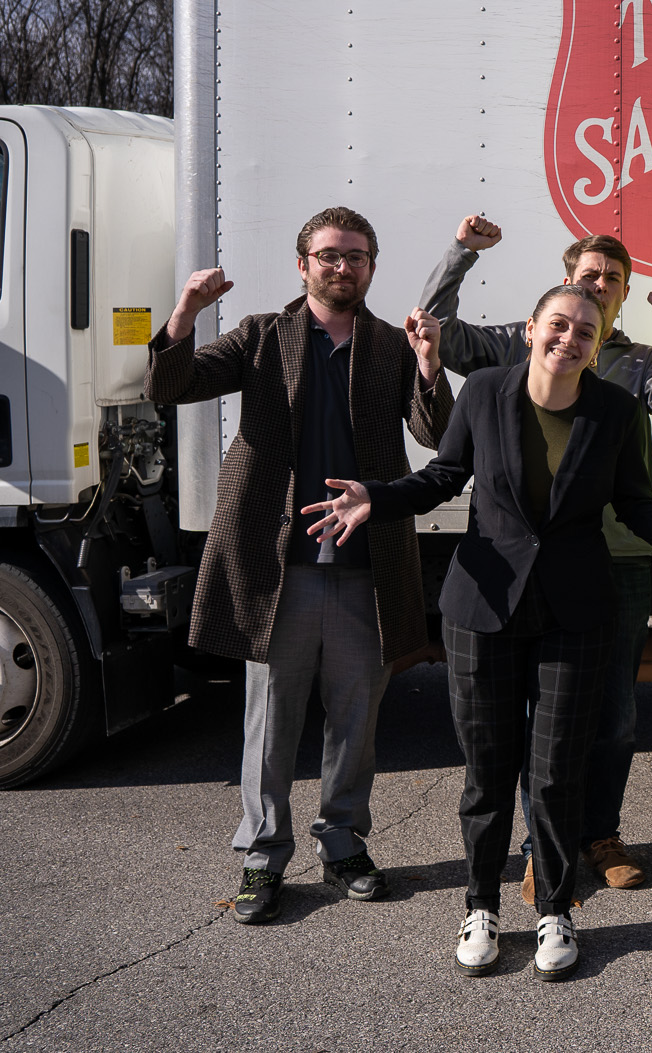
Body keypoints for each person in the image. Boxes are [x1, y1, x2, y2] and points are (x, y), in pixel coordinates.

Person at [305, 284, 652, 980]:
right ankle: (480, 906)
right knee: (487, 772)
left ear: (597, 345)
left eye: (585, 331)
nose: (570, 338)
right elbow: (444, 476)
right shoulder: (484, 392)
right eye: (558, 324)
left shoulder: (617, 409)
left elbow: (633, 503)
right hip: (483, 608)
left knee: (557, 771)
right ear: (531, 329)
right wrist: (375, 497)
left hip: (574, 613)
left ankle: (555, 908)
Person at [146, 207, 451, 925]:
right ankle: (262, 854)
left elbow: (434, 432)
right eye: (329, 255)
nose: (343, 266)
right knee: (271, 720)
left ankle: (343, 841)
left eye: (356, 256)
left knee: (356, 719)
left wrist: (430, 364)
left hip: (366, 564)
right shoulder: (260, 336)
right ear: (303, 264)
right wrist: (186, 312)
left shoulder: (391, 343)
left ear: (371, 266)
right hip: (277, 565)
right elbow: (171, 386)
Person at [420, 219, 652, 899]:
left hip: (618, 558)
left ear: (624, 292)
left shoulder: (634, 360)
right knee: (528, 722)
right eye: (588, 275)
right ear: (565, 281)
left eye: (612, 279)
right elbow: (438, 329)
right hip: (526, 567)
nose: (598, 285)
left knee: (613, 715)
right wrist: (460, 255)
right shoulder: (520, 341)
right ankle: (537, 850)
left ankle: (600, 834)